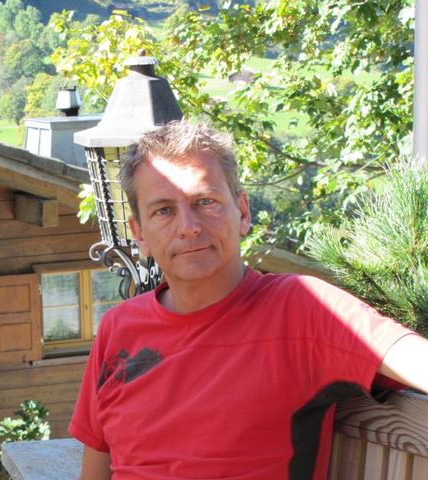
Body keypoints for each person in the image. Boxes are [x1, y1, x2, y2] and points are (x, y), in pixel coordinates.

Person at [69, 121, 428, 480]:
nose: (189, 226)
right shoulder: (119, 328)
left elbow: (415, 360)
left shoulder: (301, 307)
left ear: (242, 212)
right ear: (140, 234)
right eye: (163, 210)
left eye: (205, 202)